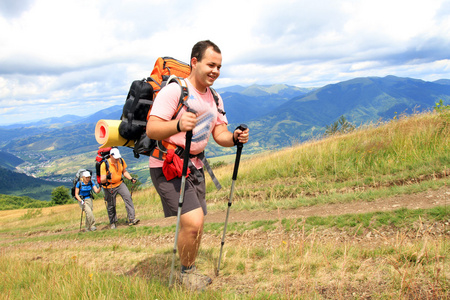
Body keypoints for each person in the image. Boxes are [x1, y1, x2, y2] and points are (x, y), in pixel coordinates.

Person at [147, 40, 250, 290]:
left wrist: (234, 137)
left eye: (219, 66)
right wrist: (179, 125)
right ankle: (186, 275)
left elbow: (220, 134)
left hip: (194, 166)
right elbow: (152, 128)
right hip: (167, 164)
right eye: (210, 64)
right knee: (192, 223)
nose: (215, 70)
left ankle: (188, 270)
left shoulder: (215, 97)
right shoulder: (175, 91)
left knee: (198, 222)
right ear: (195, 62)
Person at [100, 147, 140, 229]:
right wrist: (107, 176)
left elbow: (124, 171)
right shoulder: (104, 164)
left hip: (120, 183)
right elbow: (102, 180)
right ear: (111, 156)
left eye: (118, 157)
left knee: (128, 197)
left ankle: (132, 219)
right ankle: (113, 222)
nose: (117, 159)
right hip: (109, 186)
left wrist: (130, 178)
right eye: (115, 158)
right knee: (111, 205)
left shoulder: (121, 160)